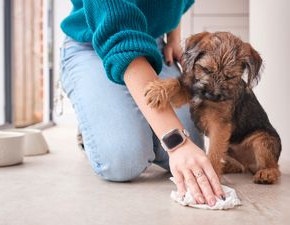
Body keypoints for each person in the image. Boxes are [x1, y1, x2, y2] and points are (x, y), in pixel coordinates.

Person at [60, 0, 224, 206]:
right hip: (96, 42)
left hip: (152, 42)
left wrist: (173, 38)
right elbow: (121, 36)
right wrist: (177, 144)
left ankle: (117, 112)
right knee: (124, 161)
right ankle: (93, 116)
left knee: (191, 147)